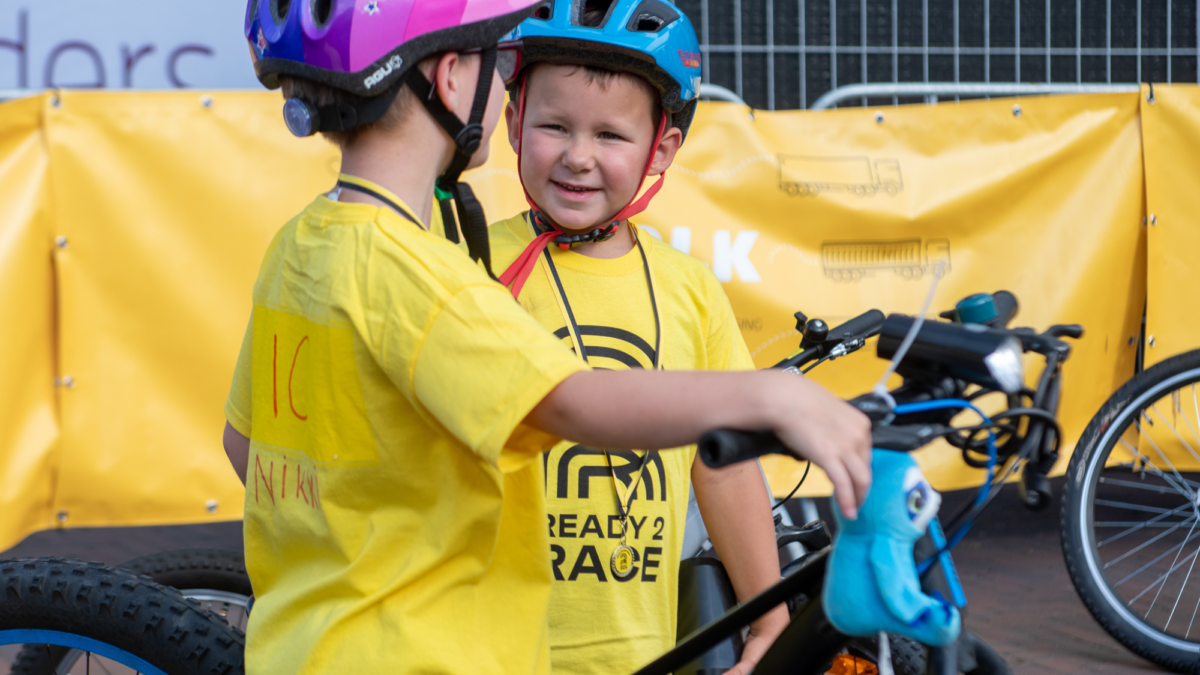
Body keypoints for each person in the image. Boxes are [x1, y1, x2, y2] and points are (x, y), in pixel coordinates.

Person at [223, 1, 872, 673]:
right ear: (453, 80)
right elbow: (569, 402)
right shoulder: (441, 270)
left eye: (610, 135)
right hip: (426, 648)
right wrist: (772, 398)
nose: (578, 155)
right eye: (492, 62)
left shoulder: (301, 244)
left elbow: (246, 443)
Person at [488, 3, 788, 673]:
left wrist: (768, 618)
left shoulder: (688, 290)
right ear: (513, 123)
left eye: (610, 136)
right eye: (553, 126)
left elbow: (726, 461)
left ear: (662, 149)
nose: (577, 156)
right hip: (489, 650)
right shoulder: (469, 265)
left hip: (639, 650)